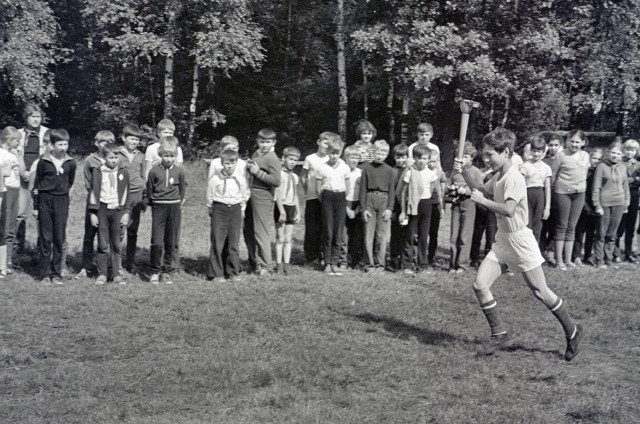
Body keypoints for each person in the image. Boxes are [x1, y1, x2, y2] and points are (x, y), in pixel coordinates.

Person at [454, 127, 584, 360]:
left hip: (520, 241)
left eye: (490, 154)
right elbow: (481, 190)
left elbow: (509, 210)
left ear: (505, 152)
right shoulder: (499, 176)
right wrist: (464, 172)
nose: (486, 158)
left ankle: (573, 331)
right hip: (503, 240)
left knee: (540, 291)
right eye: (484, 154)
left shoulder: (514, 177)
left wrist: (483, 200)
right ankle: (499, 334)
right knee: (480, 285)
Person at [32, 129, 76, 285]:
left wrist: (62, 193)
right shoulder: (43, 162)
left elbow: (70, 182)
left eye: (65, 144)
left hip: (61, 201)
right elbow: (37, 184)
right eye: (60, 144)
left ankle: (56, 273)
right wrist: (36, 206)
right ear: (52, 145)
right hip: (45, 200)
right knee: (46, 238)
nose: (63, 147)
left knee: (59, 237)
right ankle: (44, 274)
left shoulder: (71, 162)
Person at [87, 143, 130, 284]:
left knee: (116, 243)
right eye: (111, 157)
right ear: (104, 157)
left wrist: (126, 212)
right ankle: (102, 274)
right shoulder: (98, 171)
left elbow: (126, 193)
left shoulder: (123, 172)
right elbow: (93, 192)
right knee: (103, 242)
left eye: (116, 157)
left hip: (118, 210)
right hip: (102, 210)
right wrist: (93, 213)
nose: (114, 160)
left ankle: (116, 273)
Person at [145, 138, 186, 284]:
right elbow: (149, 190)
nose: (169, 159)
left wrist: (178, 202)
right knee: (157, 241)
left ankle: (167, 271)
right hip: (159, 207)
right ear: (161, 155)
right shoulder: (154, 171)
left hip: (174, 207)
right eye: (166, 156)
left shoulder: (179, 171)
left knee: (170, 240)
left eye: (172, 156)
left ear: (175, 156)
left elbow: (182, 190)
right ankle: (155, 271)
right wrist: (153, 202)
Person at [76, 130, 116, 279]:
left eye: (109, 142)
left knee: (109, 235)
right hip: (94, 202)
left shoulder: (115, 158)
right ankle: (86, 267)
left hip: (111, 203)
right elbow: (88, 182)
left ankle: (109, 267)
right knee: (90, 234)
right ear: (97, 143)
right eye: (103, 142)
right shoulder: (90, 160)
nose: (106, 144)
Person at [398, 144, 442, 274]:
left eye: (424, 158)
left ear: (429, 159)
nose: (422, 161)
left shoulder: (431, 174)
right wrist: (403, 210)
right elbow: (403, 193)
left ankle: (423, 263)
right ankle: (407, 264)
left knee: (423, 235)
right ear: (415, 158)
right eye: (419, 158)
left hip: (426, 205)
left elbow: (434, 188)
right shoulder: (410, 172)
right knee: (410, 235)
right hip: (413, 204)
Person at [206, 149, 248, 282]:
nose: (229, 166)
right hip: (220, 209)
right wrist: (211, 209)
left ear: (236, 163)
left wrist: (242, 209)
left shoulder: (240, 179)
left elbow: (244, 194)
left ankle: (233, 271)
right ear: (222, 163)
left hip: (235, 209)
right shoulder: (215, 179)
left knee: (233, 242)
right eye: (226, 163)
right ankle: (217, 273)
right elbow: (209, 196)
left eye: (232, 163)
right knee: (218, 241)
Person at [244, 128, 281, 276]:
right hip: (250, 194)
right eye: (262, 142)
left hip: (263, 196)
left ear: (273, 143)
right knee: (248, 230)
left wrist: (257, 172)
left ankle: (267, 266)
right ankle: (255, 263)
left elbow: (276, 181)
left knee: (261, 231)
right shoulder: (257, 154)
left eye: (268, 142)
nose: (265, 145)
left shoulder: (272, 158)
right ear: (257, 141)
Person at [551, 130, 590, 270]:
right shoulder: (561, 155)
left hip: (579, 194)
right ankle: (559, 260)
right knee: (562, 225)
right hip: (563, 193)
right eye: (571, 141)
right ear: (567, 141)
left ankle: (568, 260)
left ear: (583, 143)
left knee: (572, 226)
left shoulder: (585, 155)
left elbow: (584, 173)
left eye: (577, 142)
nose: (574, 144)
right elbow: (553, 175)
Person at [359, 139, 395, 272]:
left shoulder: (390, 170)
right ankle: (369, 264)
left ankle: (380, 264)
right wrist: (363, 209)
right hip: (370, 199)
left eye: (383, 153)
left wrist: (390, 208)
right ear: (372, 152)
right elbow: (362, 189)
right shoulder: (367, 169)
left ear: (386, 155)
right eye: (377, 153)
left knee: (382, 235)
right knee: (369, 234)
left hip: (384, 201)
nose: (380, 156)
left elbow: (392, 190)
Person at [17, 103, 49, 253]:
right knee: (20, 213)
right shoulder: (19, 134)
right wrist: (23, 171)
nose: (36, 119)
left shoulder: (47, 133)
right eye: (33, 116)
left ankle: (40, 248)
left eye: (38, 116)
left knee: (41, 213)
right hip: (20, 177)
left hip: (40, 178)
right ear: (26, 117)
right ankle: (18, 247)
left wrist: (34, 172)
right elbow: (14, 155)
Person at [592, 140, 629, 268]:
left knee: (612, 234)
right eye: (613, 152)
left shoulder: (623, 167)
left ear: (621, 155)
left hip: (619, 203)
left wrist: (626, 204)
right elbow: (596, 187)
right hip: (605, 203)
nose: (615, 155)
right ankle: (599, 260)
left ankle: (609, 259)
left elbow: (626, 188)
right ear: (608, 153)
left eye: (618, 153)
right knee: (601, 233)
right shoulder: (601, 167)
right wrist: (597, 205)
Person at [316, 134, 350, 276]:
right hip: (327, 197)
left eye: (337, 153)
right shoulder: (322, 168)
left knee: (338, 231)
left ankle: (335, 263)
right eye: (331, 153)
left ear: (340, 152)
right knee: (328, 230)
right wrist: (325, 199)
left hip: (340, 197)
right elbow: (318, 189)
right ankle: (327, 263)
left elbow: (347, 186)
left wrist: (341, 196)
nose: (334, 156)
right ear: (328, 152)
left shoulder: (344, 167)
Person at [447, 142, 482, 273]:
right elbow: (448, 185)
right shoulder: (455, 172)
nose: (462, 159)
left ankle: (462, 265)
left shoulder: (475, 172)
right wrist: (452, 189)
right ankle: (452, 264)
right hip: (456, 204)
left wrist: (466, 191)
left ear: (472, 157)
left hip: (469, 203)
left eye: (466, 156)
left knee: (464, 236)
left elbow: (480, 189)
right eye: (460, 156)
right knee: (454, 236)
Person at [117, 124, 146, 274]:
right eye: (131, 139)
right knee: (120, 230)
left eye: (136, 140)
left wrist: (144, 197)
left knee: (133, 231)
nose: (134, 142)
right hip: (122, 196)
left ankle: (131, 262)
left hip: (137, 195)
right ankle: (117, 264)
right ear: (123, 138)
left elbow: (143, 176)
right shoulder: (117, 154)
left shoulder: (141, 156)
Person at [301, 134, 329, 266]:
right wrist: (307, 191)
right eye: (324, 142)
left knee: (325, 227)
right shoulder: (310, 158)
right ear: (318, 142)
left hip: (327, 199)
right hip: (312, 197)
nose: (326, 146)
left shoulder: (332, 158)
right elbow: (303, 177)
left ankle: (324, 255)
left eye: (329, 144)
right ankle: (311, 257)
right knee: (312, 227)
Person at [519, 135, 552, 244]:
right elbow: (520, 184)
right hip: (527, 195)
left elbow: (547, 188)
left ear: (543, 152)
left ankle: (534, 256)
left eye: (539, 151)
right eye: (534, 151)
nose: (536, 154)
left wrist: (547, 207)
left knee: (537, 226)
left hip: (540, 196)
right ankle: (523, 254)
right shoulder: (525, 166)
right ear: (531, 151)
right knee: (526, 225)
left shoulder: (546, 168)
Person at [1, 127, 25, 274]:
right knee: (4, 224)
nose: (19, 143)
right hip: (5, 190)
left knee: (11, 224)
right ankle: (2, 260)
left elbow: (22, 173)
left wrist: (20, 157)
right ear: (9, 140)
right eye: (17, 140)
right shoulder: (1, 154)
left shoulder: (14, 154)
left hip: (15, 189)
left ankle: (8, 260)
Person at [573, 148, 603, 266]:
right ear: (590, 158)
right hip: (583, 205)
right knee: (579, 231)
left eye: (599, 159)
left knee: (591, 233)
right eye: (594, 158)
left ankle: (587, 256)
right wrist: (585, 205)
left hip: (594, 206)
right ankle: (576, 256)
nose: (596, 161)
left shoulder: (599, 172)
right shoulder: (585, 171)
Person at [274, 147, 301, 275]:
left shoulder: (295, 177)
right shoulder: (279, 175)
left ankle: (287, 264)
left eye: (295, 160)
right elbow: (277, 193)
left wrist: (298, 211)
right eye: (290, 159)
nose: (293, 162)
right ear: (283, 159)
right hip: (281, 207)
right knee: (280, 238)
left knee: (288, 238)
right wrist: (281, 211)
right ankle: (278, 265)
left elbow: (295, 195)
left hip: (291, 207)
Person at [614, 139, 640, 262]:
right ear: (623, 150)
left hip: (634, 195)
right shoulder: (619, 162)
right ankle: (616, 253)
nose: (630, 152)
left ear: (636, 152)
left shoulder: (637, 164)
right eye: (628, 150)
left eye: (633, 150)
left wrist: (633, 179)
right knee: (620, 225)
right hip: (621, 195)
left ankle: (628, 253)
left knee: (631, 225)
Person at [470, 155, 497, 268]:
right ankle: (474, 258)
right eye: (485, 158)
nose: (487, 161)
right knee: (477, 233)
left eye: (489, 158)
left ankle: (488, 258)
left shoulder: (497, 173)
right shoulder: (479, 172)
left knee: (491, 234)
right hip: (480, 206)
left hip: (491, 206)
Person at [540, 134, 563, 261]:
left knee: (556, 225)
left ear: (560, 146)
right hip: (545, 197)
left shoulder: (562, 159)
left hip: (559, 196)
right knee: (543, 225)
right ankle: (541, 250)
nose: (553, 148)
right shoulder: (544, 161)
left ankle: (551, 251)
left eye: (556, 145)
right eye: (551, 145)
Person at [340, 145, 363, 269]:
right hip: (344, 203)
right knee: (343, 235)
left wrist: (357, 209)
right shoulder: (342, 171)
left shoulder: (361, 173)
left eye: (356, 157)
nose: (353, 160)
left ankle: (355, 260)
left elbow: (363, 193)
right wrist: (347, 208)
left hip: (357, 204)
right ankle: (343, 260)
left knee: (356, 235)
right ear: (345, 158)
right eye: (351, 157)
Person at [389, 143, 409, 271]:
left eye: (403, 157)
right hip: (396, 205)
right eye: (398, 157)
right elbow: (391, 189)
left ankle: (405, 259)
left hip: (407, 205)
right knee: (395, 233)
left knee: (407, 233)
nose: (400, 160)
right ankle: (394, 258)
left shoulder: (410, 170)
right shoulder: (392, 171)